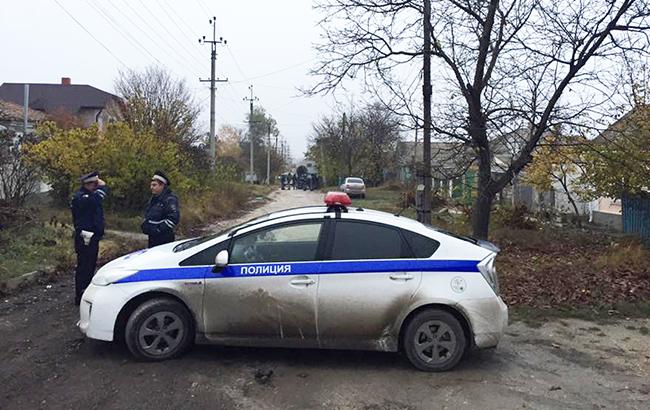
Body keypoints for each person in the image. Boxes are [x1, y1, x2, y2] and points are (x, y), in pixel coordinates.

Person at [70, 171, 108, 305]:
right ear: (90, 183)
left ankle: (85, 294)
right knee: (84, 268)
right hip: (84, 238)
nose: (96, 187)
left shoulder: (89, 195)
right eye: (95, 184)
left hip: (92, 237)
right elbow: (96, 200)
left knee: (90, 266)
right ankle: (80, 295)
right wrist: (102, 187)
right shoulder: (82, 197)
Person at [141, 170, 180, 248]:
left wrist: (157, 229)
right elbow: (149, 216)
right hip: (152, 239)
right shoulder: (153, 199)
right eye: (151, 185)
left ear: (162, 185)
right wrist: (145, 226)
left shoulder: (170, 199)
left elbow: (173, 219)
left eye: (154, 185)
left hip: (165, 240)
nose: (151, 187)